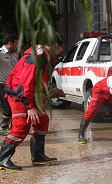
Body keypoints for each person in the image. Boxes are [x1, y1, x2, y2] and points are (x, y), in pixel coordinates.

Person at [0, 34, 65, 171]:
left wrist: (47, 93)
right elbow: (25, 85)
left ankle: (38, 156)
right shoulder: (37, 58)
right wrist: (29, 107)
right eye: (61, 46)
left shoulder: (44, 57)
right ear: (54, 45)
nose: (62, 50)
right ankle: (3, 159)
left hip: (28, 94)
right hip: (19, 96)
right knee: (21, 126)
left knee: (42, 120)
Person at [0, 33, 19, 136]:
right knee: (7, 107)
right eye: (16, 43)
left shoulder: (15, 54)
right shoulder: (0, 54)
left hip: (13, 85)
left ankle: (10, 126)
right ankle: (2, 127)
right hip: (2, 85)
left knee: (13, 106)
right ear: (10, 43)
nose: (17, 45)